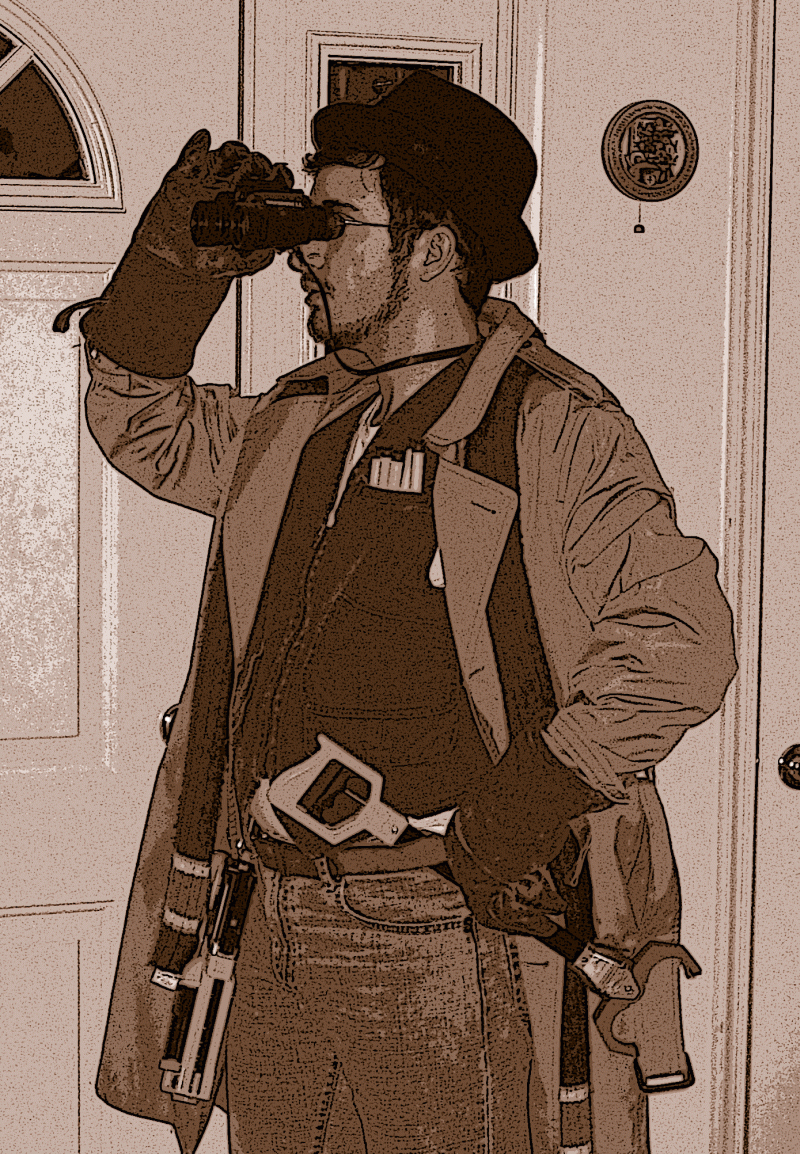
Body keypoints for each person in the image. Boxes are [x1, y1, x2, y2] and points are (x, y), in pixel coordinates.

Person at [71, 71, 736, 1154]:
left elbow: (682, 642)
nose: (304, 253)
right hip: (270, 911)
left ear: (432, 248)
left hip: (437, 929)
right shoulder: (300, 420)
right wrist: (167, 271)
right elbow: (146, 425)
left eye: (334, 225)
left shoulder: (551, 427)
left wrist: (516, 809)